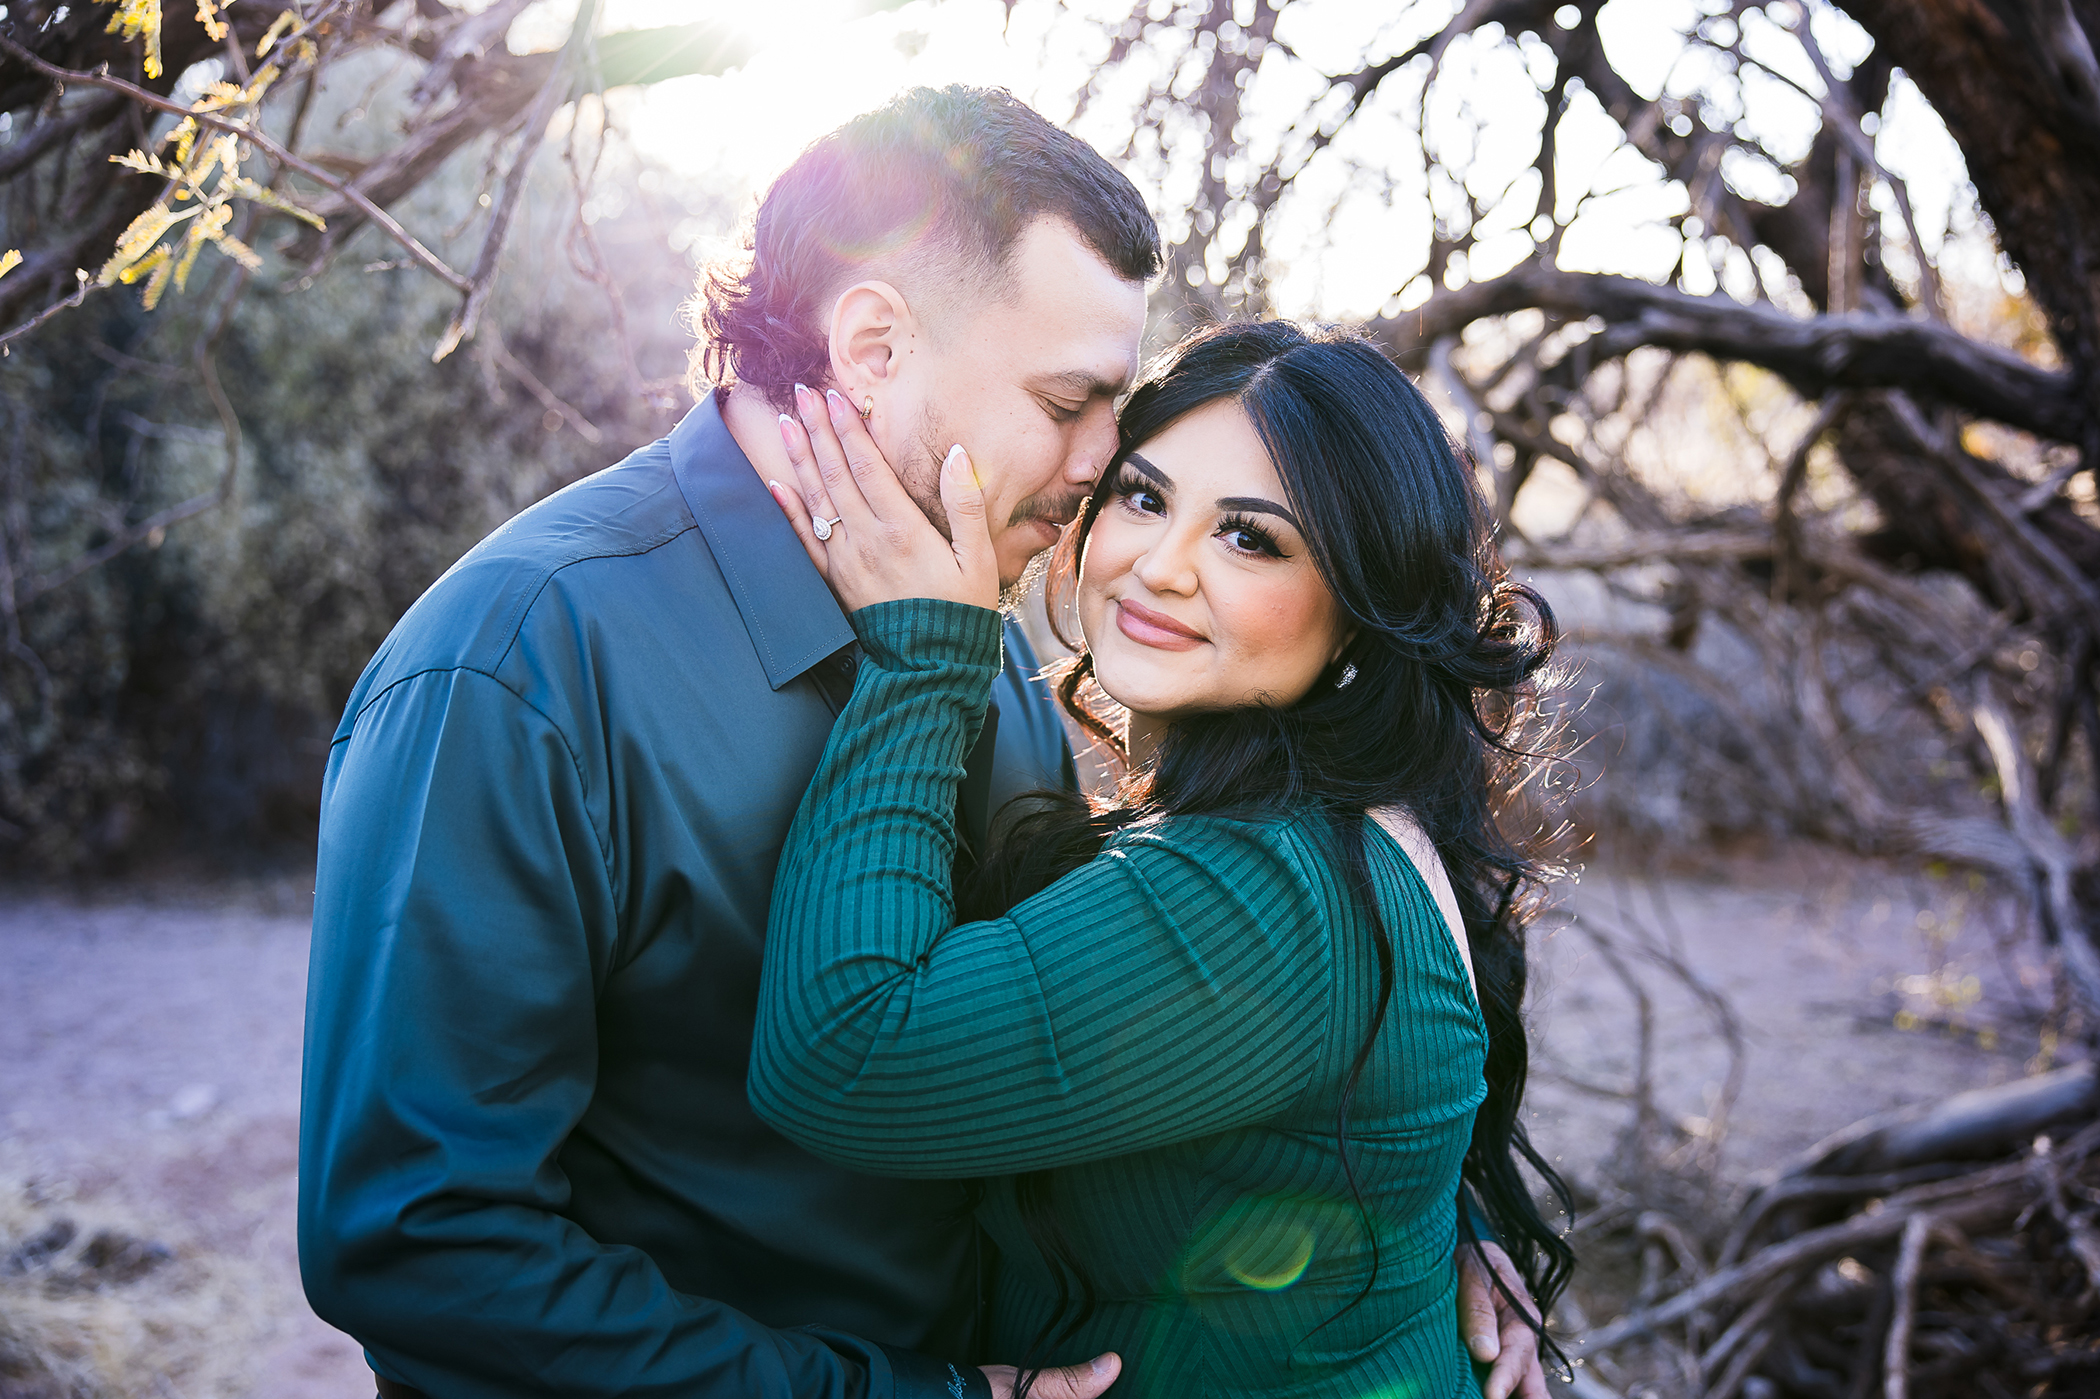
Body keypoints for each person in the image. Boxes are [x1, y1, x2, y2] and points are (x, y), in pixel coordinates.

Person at [301, 86, 1155, 1399]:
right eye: (1068, 400)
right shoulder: (517, 662)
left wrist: (1406, 1197)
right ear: (873, 344)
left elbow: (1081, 1026)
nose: (1109, 458)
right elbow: (423, 1246)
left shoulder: (981, 630)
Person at [755, 320, 1574, 1398]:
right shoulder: (1334, 821)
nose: (1160, 565)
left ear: (1363, 608)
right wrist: (1433, 1223)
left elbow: (842, 1060)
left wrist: (922, 657)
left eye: (1252, 538)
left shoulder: (1270, 892)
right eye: (1143, 496)